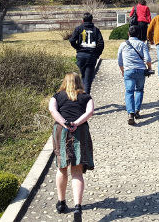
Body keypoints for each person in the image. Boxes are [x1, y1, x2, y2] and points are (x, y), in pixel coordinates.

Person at [48, 72, 95, 219]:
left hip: (61, 131)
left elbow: (53, 110)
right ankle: (77, 207)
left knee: (62, 168)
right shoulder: (86, 97)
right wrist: (76, 123)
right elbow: (90, 112)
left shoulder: (56, 96)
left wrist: (65, 123)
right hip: (80, 131)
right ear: (79, 82)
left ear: (65, 82)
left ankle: (61, 203)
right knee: (77, 171)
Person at [117, 24, 153, 125]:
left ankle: (130, 113)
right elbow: (148, 59)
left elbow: (120, 61)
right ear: (139, 34)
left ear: (128, 33)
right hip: (140, 70)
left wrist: (122, 70)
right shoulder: (142, 44)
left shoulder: (123, 45)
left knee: (129, 92)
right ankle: (137, 110)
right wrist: (149, 68)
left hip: (128, 70)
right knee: (139, 90)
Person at [68, 12, 105, 94]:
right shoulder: (95, 30)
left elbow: (72, 40)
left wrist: (78, 48)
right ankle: (86, 100)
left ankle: (81, 97)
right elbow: (101, 44)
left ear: (82, 20)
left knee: (83, 76)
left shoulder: (78, 28)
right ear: (92, 20)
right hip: (91, 55)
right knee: (87, 80)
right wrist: (97, 54)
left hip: (81, 55)